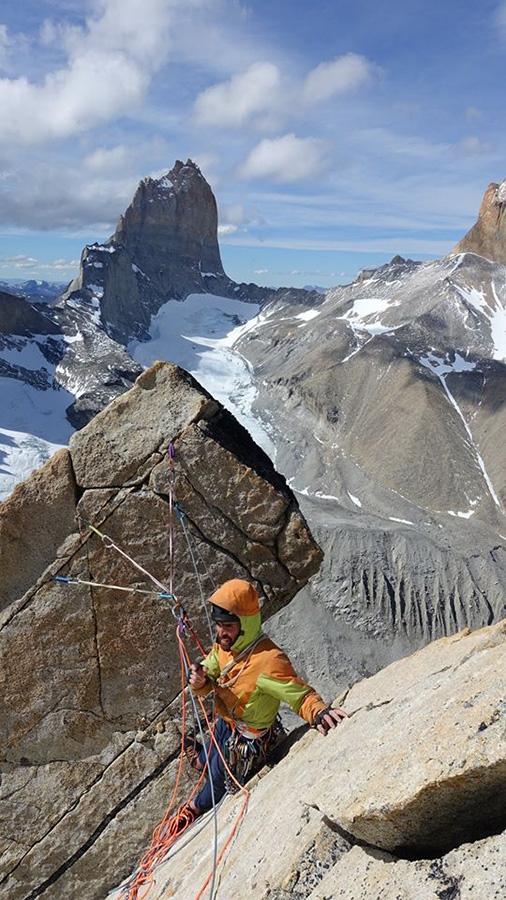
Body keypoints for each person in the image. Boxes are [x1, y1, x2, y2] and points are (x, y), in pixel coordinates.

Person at [182, 578, 347, 823]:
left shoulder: (268, 660)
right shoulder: (228, 645)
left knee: (220, 774)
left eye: (227, 625)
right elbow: (213, 665)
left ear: (245, 624)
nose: (220, 632)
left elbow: (298, 695)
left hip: (248, 736)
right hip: (229, 720)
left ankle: (194, 809)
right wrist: (201, 677)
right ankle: (199, 761)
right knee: (213, 744)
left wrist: (319, 712)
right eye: (218, 625)